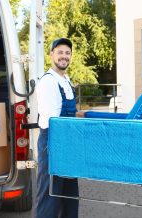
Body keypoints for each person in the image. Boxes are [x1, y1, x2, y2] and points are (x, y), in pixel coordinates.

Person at [35, 38, 81, 218]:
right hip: (53, 142)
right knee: (50, 195)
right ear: (51, 55)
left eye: (67, 53)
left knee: (69, 195)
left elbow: (68, 112)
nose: (64, 56)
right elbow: (54, 120)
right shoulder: (48, 82)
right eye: (60, 52)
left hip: (67, 142)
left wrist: (82, 115)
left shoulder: (65, 80)